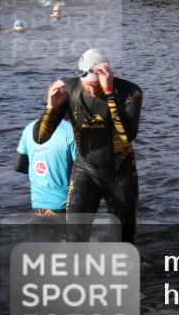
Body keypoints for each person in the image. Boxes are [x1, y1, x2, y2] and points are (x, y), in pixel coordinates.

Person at [35, 48, 143, 243]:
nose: (93, 90)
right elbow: (41, 137)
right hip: (86, 171)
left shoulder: (129, 91)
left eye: (97, 85)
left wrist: (109, 93)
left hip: (121, 172)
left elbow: (127, 135)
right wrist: (51, 107)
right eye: (88, 85)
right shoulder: (69, 91)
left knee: (125, 242)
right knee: (74, 238)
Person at [14, 116, 77, 215]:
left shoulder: (30, 128)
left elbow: (18, 166)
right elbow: (83, 170)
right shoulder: (71, 130)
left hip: (38, 204)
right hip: (64, 204)